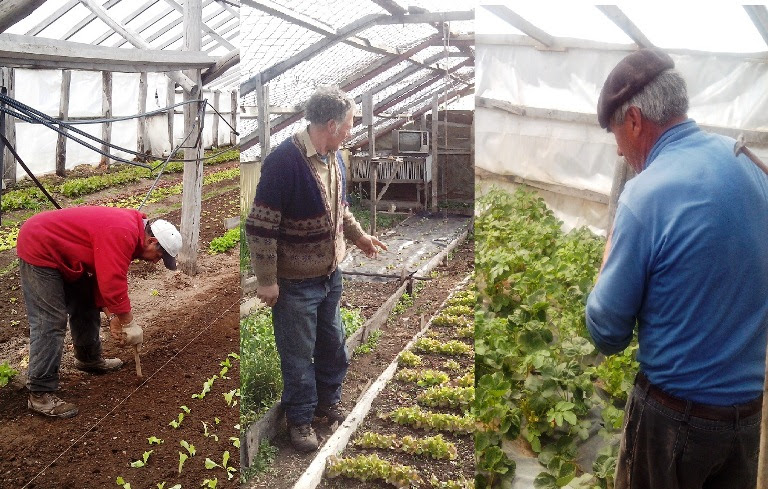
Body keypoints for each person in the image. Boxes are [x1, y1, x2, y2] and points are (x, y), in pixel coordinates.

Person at [585, 48, 768, 489]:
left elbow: (606, 332)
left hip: (674, 425)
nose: (618, 148)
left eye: (615, 132)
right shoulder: (750, 165)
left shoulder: (646, 195)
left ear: (633, 119)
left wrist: (608, 257)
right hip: (749, 421)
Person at [246, 85, 387, 452]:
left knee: (333, 344)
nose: (352, 131)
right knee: (297, 354)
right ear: (331, 123)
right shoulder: (284, 161)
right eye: (350, 124)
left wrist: (360, 239)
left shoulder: (334, 158)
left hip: (329, 276)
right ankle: (301, 420)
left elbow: (340, 210)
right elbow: (261, 226)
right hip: (294, 283)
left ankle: (328, 402)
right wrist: (267, 280)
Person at [17, 206, 182, 418]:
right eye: (159, 256)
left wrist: (113, 317)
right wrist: (129, 323)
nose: (155, 261)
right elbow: (113, 281)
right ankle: (40, 393)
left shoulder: (129, 233)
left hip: (66, 253)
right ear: (151, 241)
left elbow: (100, 274)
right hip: (40, 247)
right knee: (50, 321)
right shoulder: (122, 232)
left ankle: (88, 359)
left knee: (85, 301)